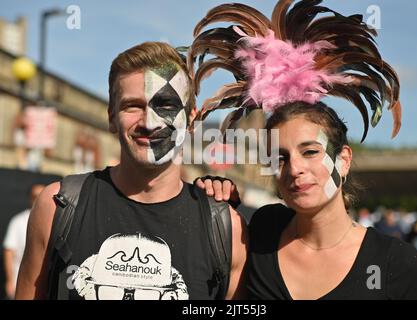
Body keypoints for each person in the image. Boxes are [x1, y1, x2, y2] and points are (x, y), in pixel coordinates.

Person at [190, 0, 417, 299]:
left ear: (343, 160)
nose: (295, 168)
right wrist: (215, 198)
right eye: (280, 157)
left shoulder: (395, 263)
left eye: (310, 151)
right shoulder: (264, 231)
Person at [15, 42, 247, 300]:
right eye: (133, 106)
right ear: (112, 117)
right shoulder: (57, 206)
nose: (149, 123)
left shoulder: (227, 228)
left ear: (191, 119)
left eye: (166, 106)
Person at [3, 184, 45, 299]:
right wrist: (10, 280)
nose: (38, 199)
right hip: (20, 284)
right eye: (35, 196)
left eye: (41, 196)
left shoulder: (54, 222)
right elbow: (9, 251)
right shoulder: (18, 221)